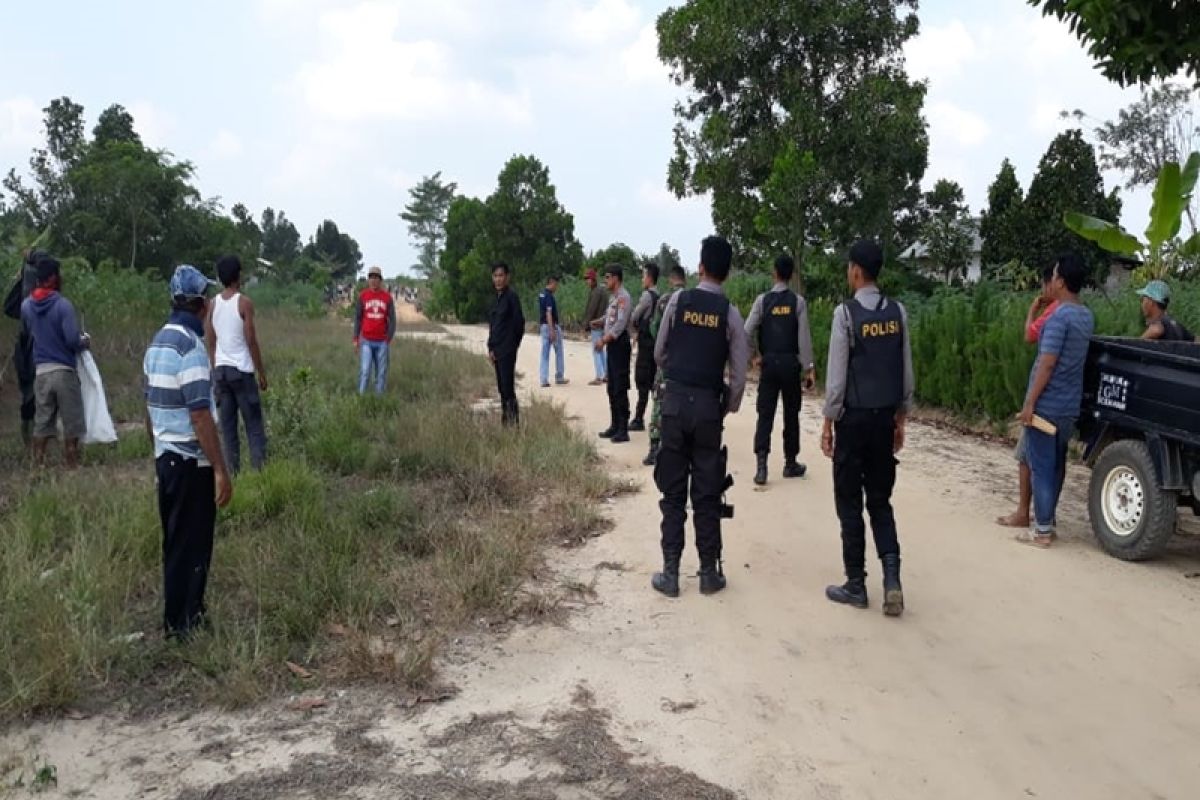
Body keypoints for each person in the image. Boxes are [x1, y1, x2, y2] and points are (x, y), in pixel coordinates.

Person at [651, 236, 748, 597]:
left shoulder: (679, 300)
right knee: (707, 493)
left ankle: (671, 573)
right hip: (709, 410)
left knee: (673, 491)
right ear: (727, 272)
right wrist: (726, 406)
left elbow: (660, 351)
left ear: (701, 267)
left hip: (675, 404)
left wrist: (677, 376)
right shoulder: (731, 314)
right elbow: (738, 377)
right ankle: (709, 573)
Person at [821, 240, 914, 617]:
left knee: (849, 502)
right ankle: (892, 580)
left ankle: (856, 584)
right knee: (879, 501)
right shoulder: (898, 313)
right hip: (884, 419)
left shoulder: (845, 315)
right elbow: (906, 372)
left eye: (848, 268)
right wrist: (901, 418)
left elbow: (837, 379)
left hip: (853, 421)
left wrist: (828, 422)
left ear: (857, 271)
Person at [143, 265, 233, 640]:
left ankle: (179, 615)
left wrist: (156, 452)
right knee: (193, 543)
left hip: (166, 458)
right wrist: (219, 469)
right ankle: (184, 624)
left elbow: (147, 407)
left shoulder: (158, 342)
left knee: (175, 541)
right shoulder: (191, 348)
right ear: (201, 304)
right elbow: (199, 415)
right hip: (189, 461)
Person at [1016, 252, 1095, 549]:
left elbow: (1047, 363)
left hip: (1048, 404)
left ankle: (1042, 531)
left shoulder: (1060, 317)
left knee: (1042, 466)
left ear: (1060, 281)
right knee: (1057, 465)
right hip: (1069, 405)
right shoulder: (1086, 316)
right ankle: (1048, 521)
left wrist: (1029, 403)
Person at [744, 254, 816, 485]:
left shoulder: (762, 301)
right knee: (791, 414)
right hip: (789, 366)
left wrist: (754, 356)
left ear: (774, 273)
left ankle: (762, 467)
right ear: (792, 274)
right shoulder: (798, 302)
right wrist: (809, 368)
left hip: (769, 365)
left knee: (765, 415)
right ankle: (790, 463)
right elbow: (803, 338)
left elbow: (746, 331)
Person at [997, 265, 1060, 529]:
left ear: (1051, 285)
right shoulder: (1076, 314)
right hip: (1061, 399)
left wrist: (1032, 309)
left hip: (1043, 397)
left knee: (1027, 457)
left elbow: (1029, 336)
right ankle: (1046, 515)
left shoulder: (1053, 313)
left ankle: (1026, 513)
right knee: (1053, 461)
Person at [20, 255, 91, 468]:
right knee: (71, 423)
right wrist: (85, 341)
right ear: (52, 278)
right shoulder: (63, 305)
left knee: (42, 423)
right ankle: (71, 465)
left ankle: (37, 466)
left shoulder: (26, 306)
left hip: (41, 372)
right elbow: (71, 340)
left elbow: (27, 332)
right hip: (64, 372)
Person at [204, 255, 268, 474]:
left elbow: (210, 341)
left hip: (221, 372)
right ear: (237, 276)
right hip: (241, 371)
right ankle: (260, 472)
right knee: (254, 427)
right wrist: (261, 372)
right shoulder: (244, 303)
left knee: (229, 429)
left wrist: (215, 369)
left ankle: (233, 474)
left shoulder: (212, 304)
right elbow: (251, 340)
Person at [643, 265, 686, 466]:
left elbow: (655, 329)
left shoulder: (664, 300)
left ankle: (654, 448)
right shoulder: (692, 300)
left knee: (660, 401)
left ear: (670, 279)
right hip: (685, 362)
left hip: (666, 360)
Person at [5, 248, 40, 446]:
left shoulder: (44, 301)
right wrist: (19, 282)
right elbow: (9, 307)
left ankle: (35, 437)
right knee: (27, 392)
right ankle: (28, 436)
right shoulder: (26, 304)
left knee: (35, 394)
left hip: (37, 348)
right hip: (24, 348)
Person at [597, 264, 633, 443]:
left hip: (619, 345)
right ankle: (614, 425)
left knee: (620, 387)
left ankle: (623, 428)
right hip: (612, 346)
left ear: (616, 279)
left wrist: (604, 339)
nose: (606, 281)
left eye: (607, 277)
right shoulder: (614, 298)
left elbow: (620, 324)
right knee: (611, 387)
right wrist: (598, 322)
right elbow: (609, 318)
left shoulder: (624, 298)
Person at [488, 262, 525, 426]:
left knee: (508, 388)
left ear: (507, 277)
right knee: (501, 388)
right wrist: (491, 347)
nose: (498, 279)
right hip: (496, 351)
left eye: (501, 275)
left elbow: (519, 324)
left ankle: (514, 424)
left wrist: (512, 346)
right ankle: (505, 422)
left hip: (507, 351)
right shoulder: (496, 299)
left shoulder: (512, 298)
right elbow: (494, 326)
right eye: (495, 276)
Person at [353, 265, 396, 395]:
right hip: (366, 340)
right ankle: (360, 399)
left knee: (381, 372)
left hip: (382, 341)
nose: (373, 280)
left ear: (380, 280)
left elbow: (393, 320)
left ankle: (379, 400)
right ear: (368, 279)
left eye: (376, 277)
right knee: (365, 370)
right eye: (371, 277)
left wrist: (388, 339)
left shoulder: (387, 298)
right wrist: (355, 338)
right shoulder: (363, 296)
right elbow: (358, 318)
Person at [629, 261, 661, 432]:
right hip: (656, 346)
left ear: (649, 278)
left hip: (645, 345)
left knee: (642, 381)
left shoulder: (647, 296)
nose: (642, 280)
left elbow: (635, 315)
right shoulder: (661, 297)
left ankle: (639, 418)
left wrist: (634, 331)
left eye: (643, 276)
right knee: (654, 383)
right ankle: (657, 420)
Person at [537, 274, 568, 387]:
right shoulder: (549, 296)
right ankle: (559, 376)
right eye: (556, 284)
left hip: (543, 326)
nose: (557, 287)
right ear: (552, 282)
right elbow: (548, 313)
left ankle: (543, 379)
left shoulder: (541, 294)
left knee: (544, 353)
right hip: (551, 326)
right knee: (558, 351)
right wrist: (552, 330)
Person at [583, 268, 608, 385]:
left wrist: (585, 325)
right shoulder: (603, 290)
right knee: (602, 350)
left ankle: (598, 376)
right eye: (586, 279)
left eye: (588, 278)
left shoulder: (596, 292)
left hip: (596, 325)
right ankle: (606, 374)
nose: (586, 281)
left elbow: (591, 310)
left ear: (593, 279)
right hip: (604, 325)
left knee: (596, 350)